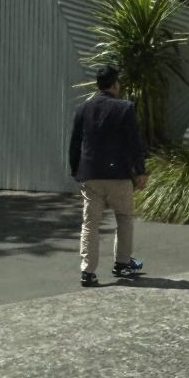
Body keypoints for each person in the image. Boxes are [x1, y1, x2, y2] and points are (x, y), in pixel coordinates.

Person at [68, 65, 148, 287]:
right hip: (119, 174)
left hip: (90, 174)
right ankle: (122, 263)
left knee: (90, 223)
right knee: (123, 218)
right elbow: (134, 143)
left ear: (97, 85)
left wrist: (75, 169)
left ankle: (88, 271)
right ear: (114, 84)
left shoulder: (83, 108)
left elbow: (75, 143)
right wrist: (140, 171)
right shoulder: (125, 108)